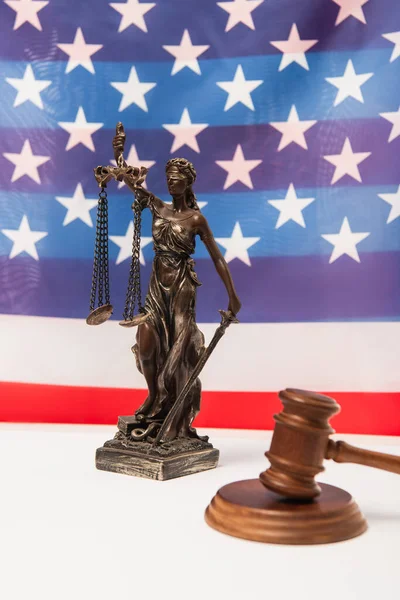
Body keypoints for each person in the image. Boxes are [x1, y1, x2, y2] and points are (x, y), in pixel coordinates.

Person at [113, 130, 241, 443]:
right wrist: (118, 156)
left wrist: (233, 296)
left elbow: (218, 258)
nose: (172, 184)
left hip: (182, 287)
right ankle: (154, 396)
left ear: (188, 183)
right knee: (146, 344)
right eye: (169, 179)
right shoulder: (157, 206)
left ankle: (174, 409)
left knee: (178, 352)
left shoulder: (196, 219)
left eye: (177, 180)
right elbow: (133, 184)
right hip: (157, 284)